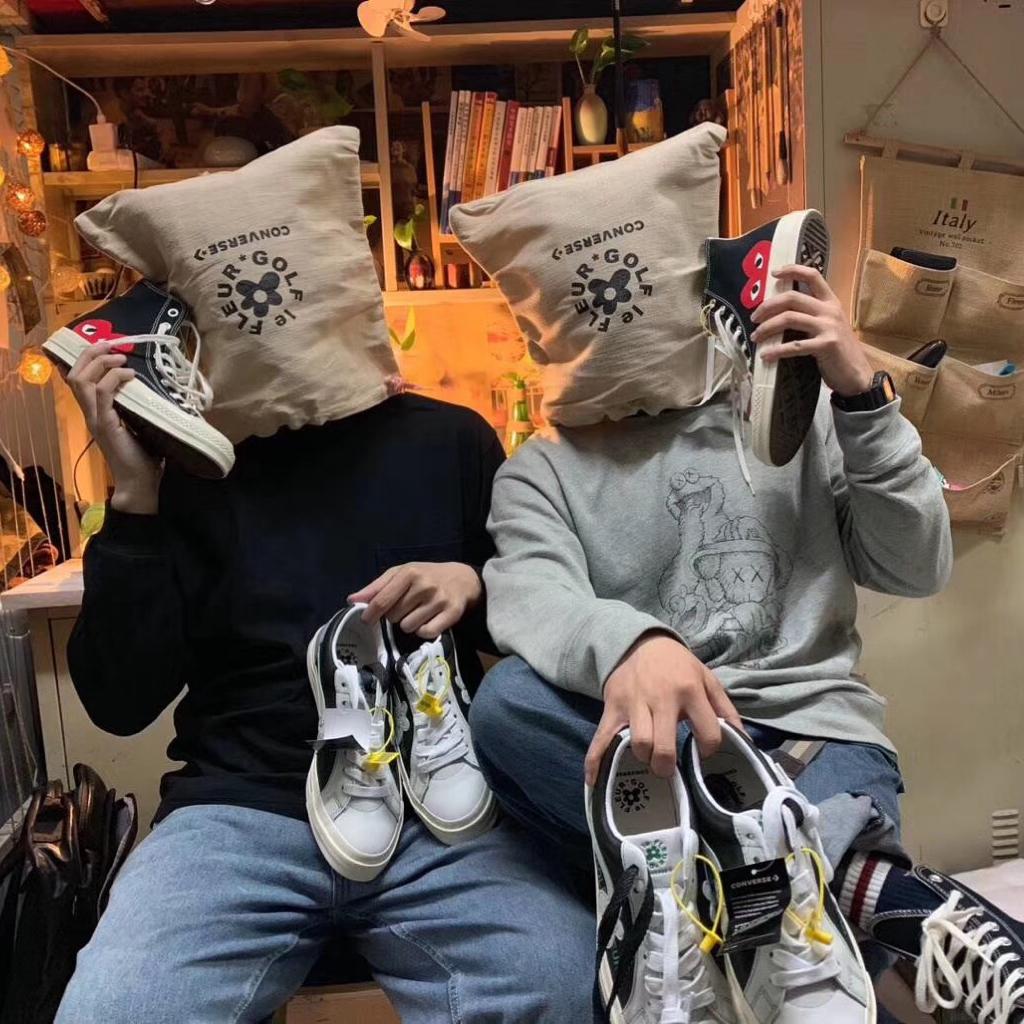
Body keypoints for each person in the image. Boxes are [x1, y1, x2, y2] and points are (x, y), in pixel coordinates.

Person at [470, 261, 1024, 1024]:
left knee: (762, 972)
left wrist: (862, 397)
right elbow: (530, 594)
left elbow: (916, 566)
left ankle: (781, 878)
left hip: (812, 739)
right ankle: (853, 881)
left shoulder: (795, 419)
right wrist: (636, 645)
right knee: (507, 705)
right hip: (661, 755)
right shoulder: (539, 473)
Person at [55, 340, 596, 1023]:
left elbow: (536, 621)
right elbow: (120, 701)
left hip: (438, 810)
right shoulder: (191, 465)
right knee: (113, 1011)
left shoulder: (450, 440)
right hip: (237, 810)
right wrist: (136, 493)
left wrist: (473, 583)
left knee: (563, 981)